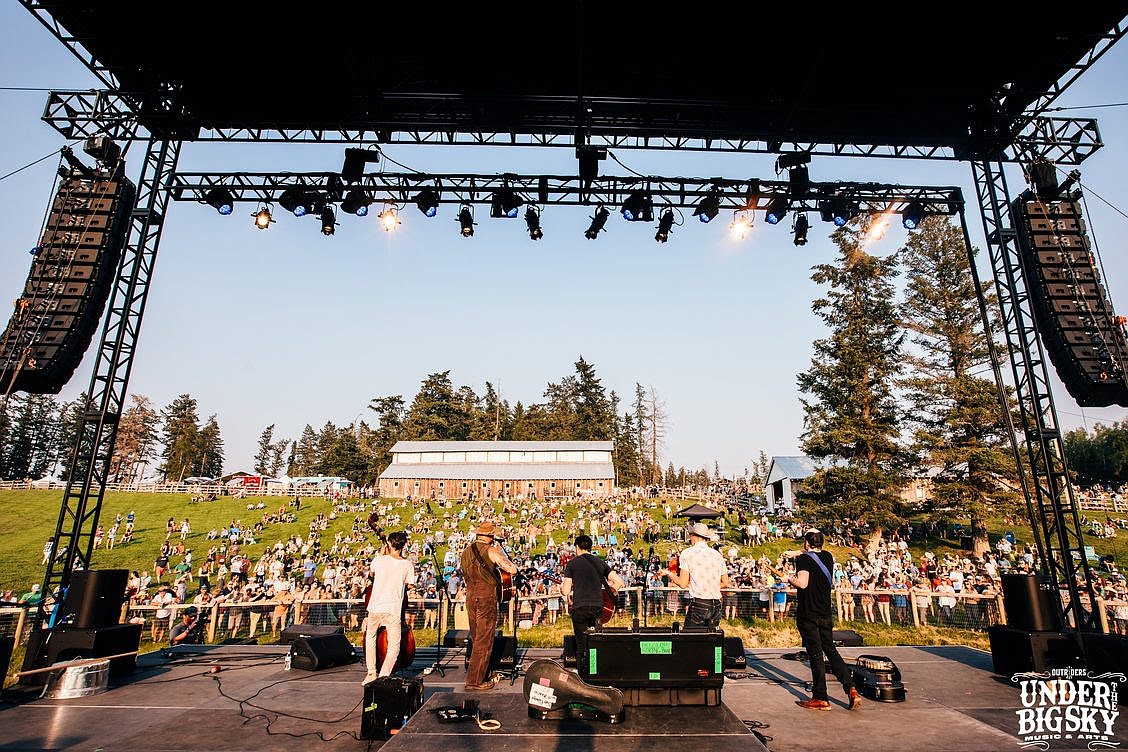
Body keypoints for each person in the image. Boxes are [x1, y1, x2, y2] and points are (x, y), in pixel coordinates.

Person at [784, 529, 860, 711]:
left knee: (816, 655)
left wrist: (788, 577)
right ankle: (851, 688)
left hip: (809, 613)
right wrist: (797, 552)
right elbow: (812, 554)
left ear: (806, 543)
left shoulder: (803, 560)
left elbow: (802, 583)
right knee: (831, 650)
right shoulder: (828, 557)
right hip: (825, 612)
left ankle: (821, 697)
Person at [459, 521, 517, 691]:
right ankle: (474, 681)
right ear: (491, 536)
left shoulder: (466, 552)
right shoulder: (491, 550)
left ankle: (483, 673)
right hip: (486, 597)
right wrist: (500, 554)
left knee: (476, 637)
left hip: (470, 595)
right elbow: (511, 569)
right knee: (484, 641)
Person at [562, 534, 625, 665]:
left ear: (577, 547)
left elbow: (566, 590)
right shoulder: (601, 563)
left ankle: (582, 674)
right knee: (595, 642)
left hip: (580, 608)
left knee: (581, 644)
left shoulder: (572, 564)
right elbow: (619, 581)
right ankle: (595, 672)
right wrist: (605, 593)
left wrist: (561, 589)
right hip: (598, 607)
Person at [363, 529, 417, 683]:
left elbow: (371, 575)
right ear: (403, 545)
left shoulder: (379, 560)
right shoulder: (407, 565)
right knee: (395, 646)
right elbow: (411, 585)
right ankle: (383, 676)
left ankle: (371, 673)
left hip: (375, 606)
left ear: (390, 544)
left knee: (371, 638)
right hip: (393, 609)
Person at [659, 522, 731, 628]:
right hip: (716, 604)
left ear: (694, 536)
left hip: (699, 603)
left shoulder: (687, 553)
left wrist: (669, 573)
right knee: (711, 639)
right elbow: (725, 582)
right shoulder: (717, 555)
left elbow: (683, 584)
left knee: (691, 640)